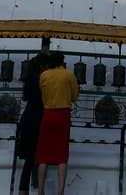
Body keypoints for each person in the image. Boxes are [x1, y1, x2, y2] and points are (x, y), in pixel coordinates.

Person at [35, 52, 79, 195]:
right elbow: (74, 97)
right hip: (63, 115)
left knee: (43, 155)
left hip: (48, 115)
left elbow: (43, 97)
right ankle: (60, 191)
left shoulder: (44, 75)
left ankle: (40, 190)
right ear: (62, 61)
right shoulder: (68, 75)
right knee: (61, 155)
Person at [16, 54, 47, 195]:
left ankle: (23, 190)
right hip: (37, 119)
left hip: (27, 118)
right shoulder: (41, 81)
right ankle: (39, 189)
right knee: (38, 157)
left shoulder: (29, 80)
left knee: (29, 159)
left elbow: (26, 98)